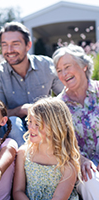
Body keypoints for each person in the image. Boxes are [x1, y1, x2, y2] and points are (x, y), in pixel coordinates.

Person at [0, 21, 64, 147]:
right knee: (13, 122)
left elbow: (65, 97)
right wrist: (21, 110)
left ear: (28, 45)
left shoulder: (47, 65)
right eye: (4, 45)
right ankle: (27, 162)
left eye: (15, 44)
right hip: (13, 132)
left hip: (46, 124)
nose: (9, 50)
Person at [52, 43, 99, 200]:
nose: (64, 73)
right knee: (90, 178)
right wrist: (82, 159)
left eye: (67, 67)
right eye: (59, 70)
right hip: (82, 167)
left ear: (84, 66)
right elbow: (60, 144)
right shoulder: (58, 107)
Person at [13, 97, 81, 200]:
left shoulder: (68, 164)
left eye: (37, 124)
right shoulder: (23, 153)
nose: (31, 127)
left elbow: (59, 198)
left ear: (55, 127)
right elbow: (18, 191)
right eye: (30, 121)